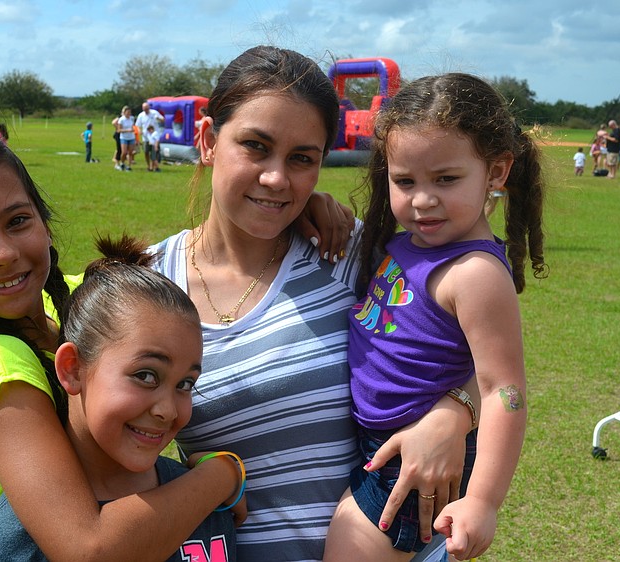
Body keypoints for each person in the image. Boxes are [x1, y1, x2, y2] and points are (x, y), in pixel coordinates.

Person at [150, 46, 477, 561]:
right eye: (255, 146)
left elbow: (491, 365)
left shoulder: (353, 255)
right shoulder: (148, 286)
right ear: (209, 140)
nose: (277, 178)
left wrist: (453, 414)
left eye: (302, 158)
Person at [0, 126, 246, 561]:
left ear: (44, 221)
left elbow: (145, 296)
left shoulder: (69, 302)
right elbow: (86, 549)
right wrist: (223, 476)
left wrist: (303, 214)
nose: (3, 253)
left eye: (17, 221)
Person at [324, 73, 545, 561]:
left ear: (496, 172)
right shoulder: (410, 242)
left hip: (412, 462)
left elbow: (504, 392)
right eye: (405, 181)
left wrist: (483, 502)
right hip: (377, 447)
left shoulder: (475, 273)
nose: (422, 200)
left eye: (446, 179)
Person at [0, 234, 241, 561]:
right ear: (72, 368)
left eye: (185, 384)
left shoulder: (209, 510)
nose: (167, 410)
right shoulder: (10, 544)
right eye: (146, 376)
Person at [137, 101, 164, 171]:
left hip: (154, 137)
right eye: (144, 109)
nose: (145, 110)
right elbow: (137, 126)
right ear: (142, 109)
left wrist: (158, 118)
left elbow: (163, 120)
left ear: (149, 107)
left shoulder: (154, 113)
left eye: (147, 108)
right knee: (146, 152)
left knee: (153, 153)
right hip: (145, 137)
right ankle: (148, 166)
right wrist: (139, 130)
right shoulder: (141, 115)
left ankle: (153, 167)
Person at [117, 106, 137, 171]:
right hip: (124, 137)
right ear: (124, 112)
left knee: (131, 152)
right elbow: (119, 130)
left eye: (130, 112)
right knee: (124, 152)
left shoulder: (132, 118)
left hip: (131, 137)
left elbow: (134, 127)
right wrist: (127, 130)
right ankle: (122, 163)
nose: (129, 114)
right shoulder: (121, 119)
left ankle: (129, 166)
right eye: (127, 112)